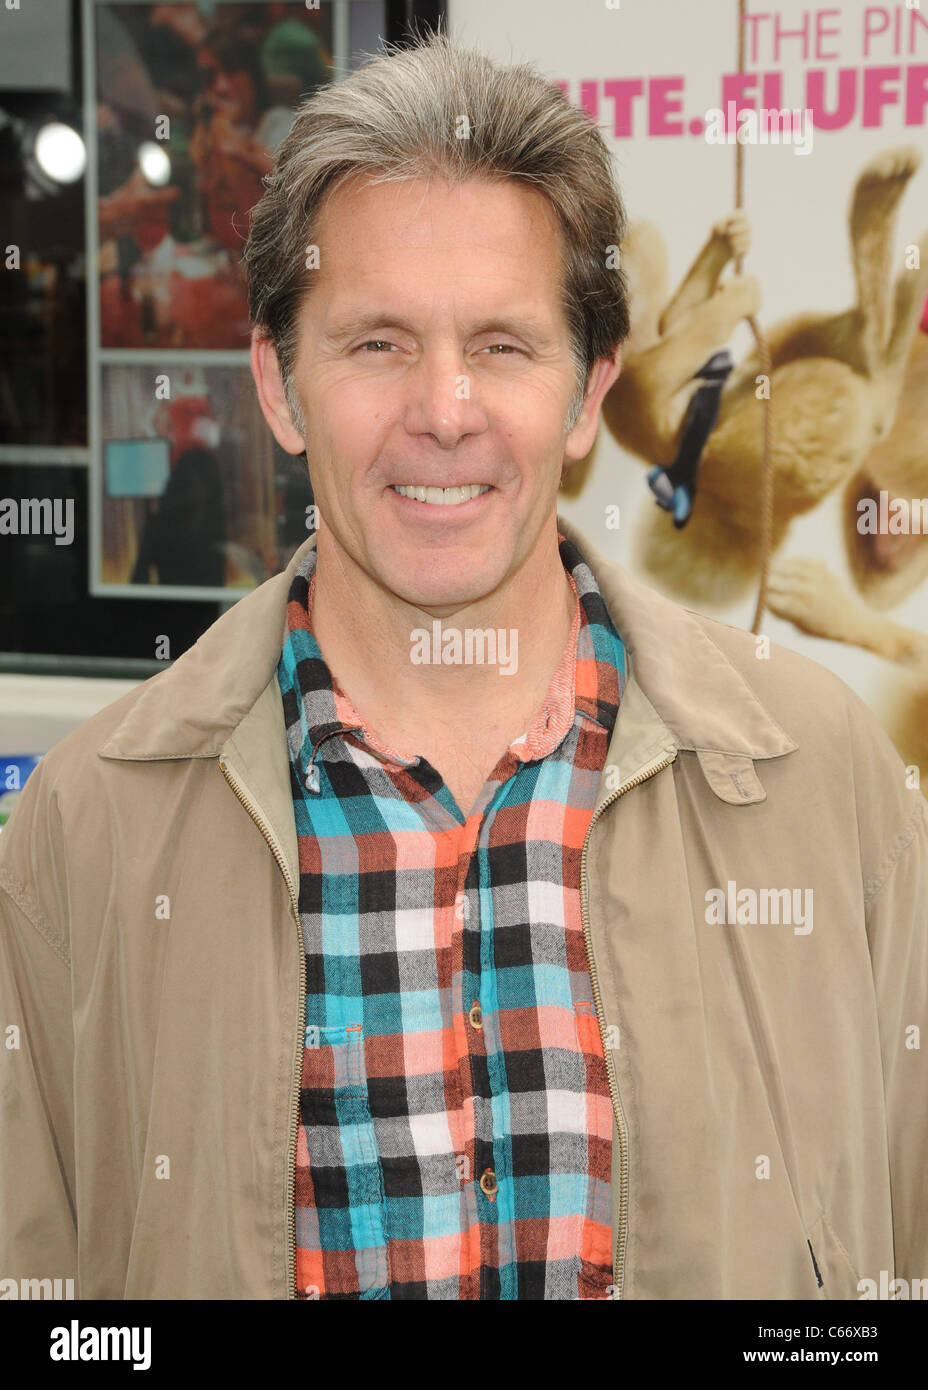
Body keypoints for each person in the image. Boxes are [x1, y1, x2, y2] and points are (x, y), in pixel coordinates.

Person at [1, 29, 925, 1302]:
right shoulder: (87, 825)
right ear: (278, 386)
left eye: (502, 344)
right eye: (377, 343)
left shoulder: (828, 785)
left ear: (589, 391)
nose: (445, 408)